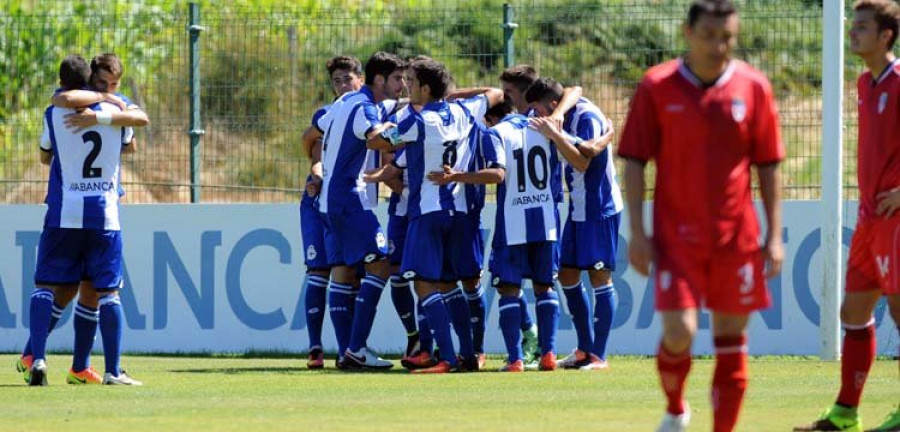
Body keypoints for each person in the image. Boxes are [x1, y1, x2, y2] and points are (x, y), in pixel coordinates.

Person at [618, 1, 784, 430]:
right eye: (709, 35)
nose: (719, 46)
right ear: (687, 33)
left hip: (737, 239)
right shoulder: (658, 86)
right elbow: (634, 161)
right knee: (680, 333)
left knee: (731, 341)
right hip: (677, 239)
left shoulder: (754, 86)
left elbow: (768, 165)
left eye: (727, 37)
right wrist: (637, 231)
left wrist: (774, 235)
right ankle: (675, 408)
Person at [794, 1, 900, 431]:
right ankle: (844, 414)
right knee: (852, 311)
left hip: (895, 219)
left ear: (885, 36)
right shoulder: (864, 82)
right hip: (870, 219)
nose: (852, 33)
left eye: (860, 27)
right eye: (852, 26)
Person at [18, 53, 148, 386]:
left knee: (53, 286)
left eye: (114, 84)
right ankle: (111, 369)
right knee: (103, 291)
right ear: (91, 78)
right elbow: (132, 140)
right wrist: (108, 113)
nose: (110, 88)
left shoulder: (55, 113)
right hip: (103, 213)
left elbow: (45, 156)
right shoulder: (117, 111)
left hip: (64, 211)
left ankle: (45, 359)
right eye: (104, 83)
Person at [368, 58, 502, 373]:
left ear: (426, 88)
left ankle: (446, 358)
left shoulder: (416, 123)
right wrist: (452, 96)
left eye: (412, 82)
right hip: (460, 211)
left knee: (424, 285)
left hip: (428, 212)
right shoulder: (467, 111)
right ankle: (468, 356)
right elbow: (495, 93)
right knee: (448, 283)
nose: (406, 87)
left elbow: (377, 141)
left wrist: (386, 129)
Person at [308, 51, 406, 370]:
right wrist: (405, 132)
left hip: (328, 202)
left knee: (345, 271)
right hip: (348, 200)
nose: (402, 85)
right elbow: (377, 141)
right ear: (379, 80)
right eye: (397, 79)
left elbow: (316, 130)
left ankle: (346, 352)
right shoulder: (363, 106)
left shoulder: (341, 104)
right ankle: (356, 348)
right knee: (380, 266)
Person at [526, 77, 620, 371]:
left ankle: (599, 356)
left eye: (538, 110)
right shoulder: (557, 112)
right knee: (567, 274)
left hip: (599, 207)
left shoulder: (587, 117)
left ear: (553, 106)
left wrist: (555, 135)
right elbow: (574, 88)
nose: (535, 116)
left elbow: (583, 163)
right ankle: (584, 349)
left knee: (599, 277)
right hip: (578, 208)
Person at [299, 55, 364, 369]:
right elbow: (313, 149)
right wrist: (316, 175)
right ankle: (315, 347)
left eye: (347, 79)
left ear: (360, 80)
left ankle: (347, 349)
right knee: (318, 271)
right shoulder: (326, 113)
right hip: (317, 202)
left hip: (346, 204)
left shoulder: (368, 111)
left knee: (348, 275)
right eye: (336, 80)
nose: (341, 85)